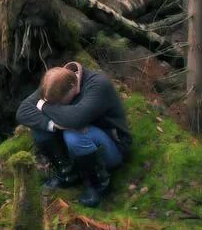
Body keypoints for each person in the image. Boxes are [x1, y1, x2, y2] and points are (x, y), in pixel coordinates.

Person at [16, 62, 132, 207]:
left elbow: (75, 119)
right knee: (41, 125)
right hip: (81, 144)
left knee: (74, 133)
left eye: (60, 103)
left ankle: (97, 183)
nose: (58, 106)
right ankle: (67, 173)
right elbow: (23, 111)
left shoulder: (98, 85)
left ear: (73, 87)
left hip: (112, 146)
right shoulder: (55, 83)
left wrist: (44, 106)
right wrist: (53, 124)